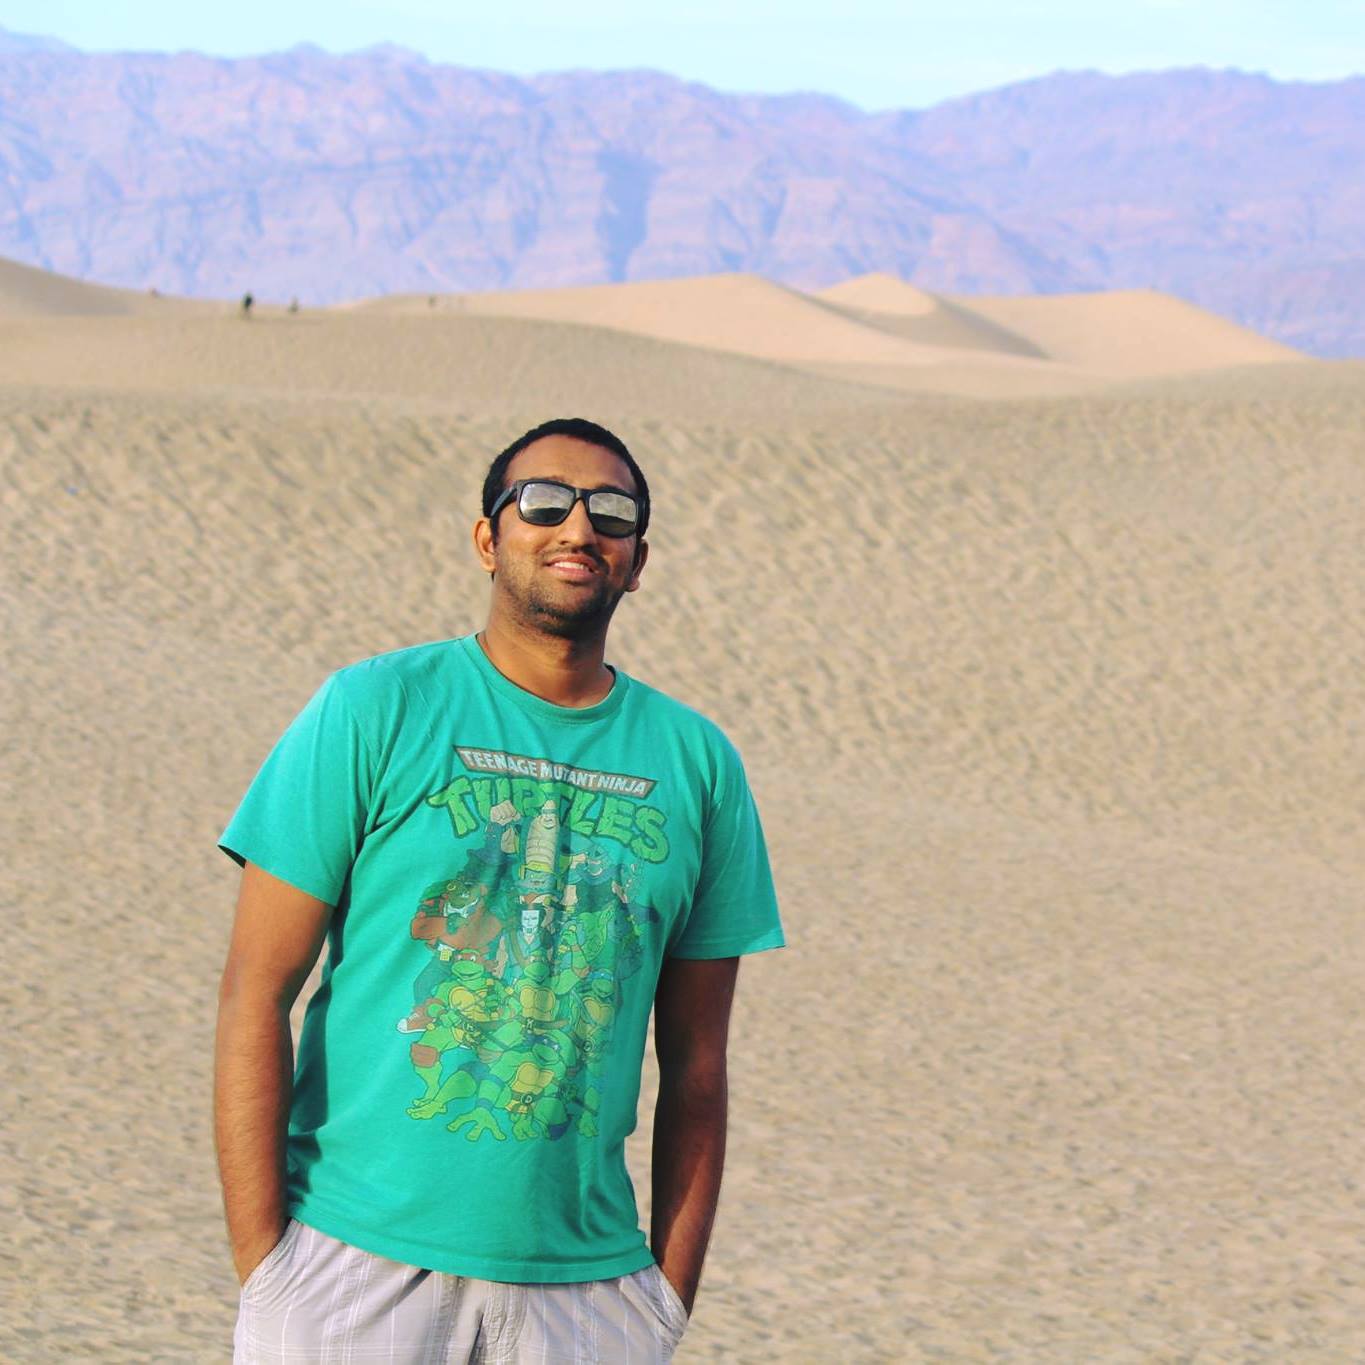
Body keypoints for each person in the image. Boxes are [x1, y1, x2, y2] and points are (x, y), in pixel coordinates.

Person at [215, 416, 784, 1362]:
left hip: (590, 1294)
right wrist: (268, 1266)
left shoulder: (698, 764)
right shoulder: (374, 708)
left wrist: (663, 1300)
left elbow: (696, 1063)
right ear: (488, 538)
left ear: (638, 561)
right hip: (351, 1261)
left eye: (612, 512)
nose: (578, 528)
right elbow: (255, 989)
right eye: (543, 502)